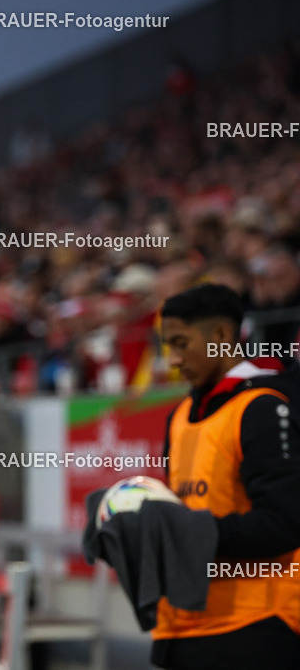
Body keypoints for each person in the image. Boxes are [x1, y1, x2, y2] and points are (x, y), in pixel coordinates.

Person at [154, 283, 300, 669]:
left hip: (255, 627)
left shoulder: (265, 406)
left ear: (221, 336)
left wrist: (192, 534)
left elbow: (284, 523)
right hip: (184, 626)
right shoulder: (180, 416)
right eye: (169, 345)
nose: (173, 359)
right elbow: (184, 512)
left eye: (181, 343)